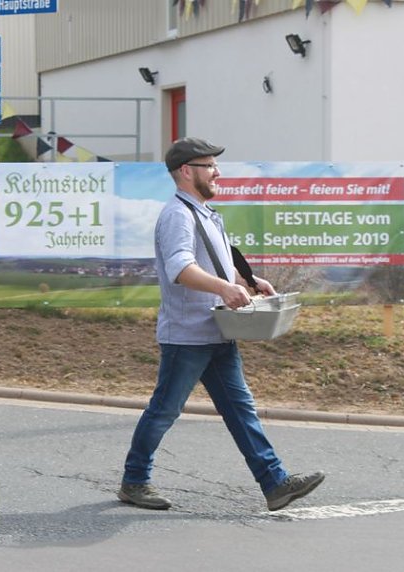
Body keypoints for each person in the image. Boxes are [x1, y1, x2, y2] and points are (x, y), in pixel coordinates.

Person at [117, 137, 325, 512]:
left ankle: (275, 483)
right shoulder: (177, 215)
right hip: (188, 335)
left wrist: (247, 280)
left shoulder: (204, 212)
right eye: (210, 166)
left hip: (218, 329)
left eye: (214, 165)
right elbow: (181, 268)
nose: (217, 172)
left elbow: (215, 260)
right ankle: (134, 481)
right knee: (164, 410)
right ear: (186, 171)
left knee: (240, 409)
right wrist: (225, 288)